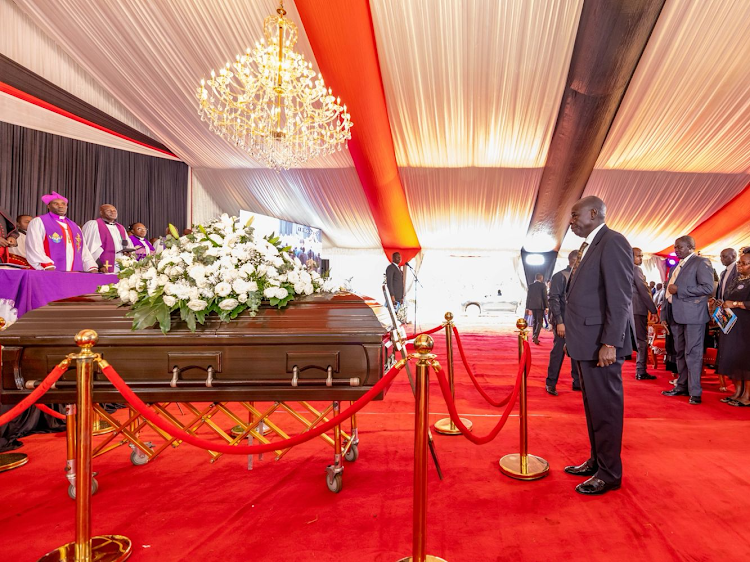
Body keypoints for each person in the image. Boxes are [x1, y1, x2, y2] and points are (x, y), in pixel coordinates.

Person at [563, 196, 634, 496]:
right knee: (593, 408)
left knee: (605, 409)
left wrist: (610, 342)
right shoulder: (590, 245)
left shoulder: (613, 241)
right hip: (585, 342)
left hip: (601, 344)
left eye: (575, 214)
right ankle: (597, 461)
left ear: (594, 213)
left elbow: (620, 298)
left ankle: (610, 473)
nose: (571, 220)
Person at [661, 236, 715, 405]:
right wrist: (664, 314)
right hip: (675, 315)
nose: (676, 250)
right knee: (680, 353)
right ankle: (681, 386)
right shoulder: (675, 267)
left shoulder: (701, 262)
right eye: (675, 247)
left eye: (680, 247)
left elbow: (708, 288)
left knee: (693, 353)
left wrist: (681, 289)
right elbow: (667, 293)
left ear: (692, 247)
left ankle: (695, 392)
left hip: (693, 316)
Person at [26, 192, 98, 272]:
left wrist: (91, 266)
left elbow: (83, 250)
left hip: (73, 273)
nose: (60, 206)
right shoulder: (39, 222)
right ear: (48, 206)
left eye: (63, 204)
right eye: (56, 204)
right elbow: (34, 246)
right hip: (49, 271)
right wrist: (46, 264)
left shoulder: (75, 226)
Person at [714, 247, 750, 407]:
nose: (739, 266)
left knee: (744, 360)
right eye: (739, 264)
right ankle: (737, 392)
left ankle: (747, 395)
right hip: (730, 325)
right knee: (732, 358)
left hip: (745, 328)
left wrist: (736, 304)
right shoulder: (736, 280)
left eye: (744, 264)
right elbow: (727, 299)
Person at [545, 251, 581, 395]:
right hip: (563, 321)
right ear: (574, 260)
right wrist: (559, 322)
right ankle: (551, 382)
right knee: (558, 352)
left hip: (578, 322)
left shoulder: (582, 276)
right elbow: (553, 299)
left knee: (578, 352)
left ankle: (577, 382)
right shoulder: (560, 276)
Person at [82, 204, 133, 273]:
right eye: (109, 210)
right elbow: (89, 248)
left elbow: (128, 245)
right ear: (101, 213)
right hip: (102, 265)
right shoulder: (94, 225)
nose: (112, 212)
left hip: (120, 265)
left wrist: (128, 252)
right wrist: (99, 265)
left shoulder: (120, 227)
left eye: (114, 211)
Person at [632, 248, 658, 380]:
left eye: (642, 256)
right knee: (642, 341)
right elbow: (643, 290)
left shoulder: (622, 268)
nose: (641, 259)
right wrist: (653, 310)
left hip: (628, 310)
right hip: (637, 309)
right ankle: (641, 371)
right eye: (638, 256)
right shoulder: (636, 269)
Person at [525, 273, 548, 344]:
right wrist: (546, 307)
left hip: (532, 305)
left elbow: (528, 297)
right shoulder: (543, 285)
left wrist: (527, 307)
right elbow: (545, 297)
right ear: (541, 278)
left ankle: (534, 336)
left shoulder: (531, 286)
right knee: (540, 322)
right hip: (540, 306)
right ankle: (535, 336)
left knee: (535, 321)